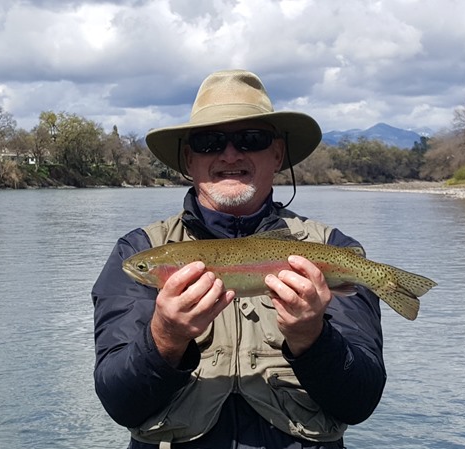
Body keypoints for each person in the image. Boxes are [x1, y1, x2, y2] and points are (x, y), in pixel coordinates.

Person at [92, 69, 386, 449]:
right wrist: (164, 338)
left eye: (251, 138)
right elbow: (119, 402)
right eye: (209, 141)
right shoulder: (137, 251)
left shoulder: (333, 249)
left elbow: (360, 401)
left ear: (277, 153)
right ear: (188, 159)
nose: (230, 154)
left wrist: (313, 339)